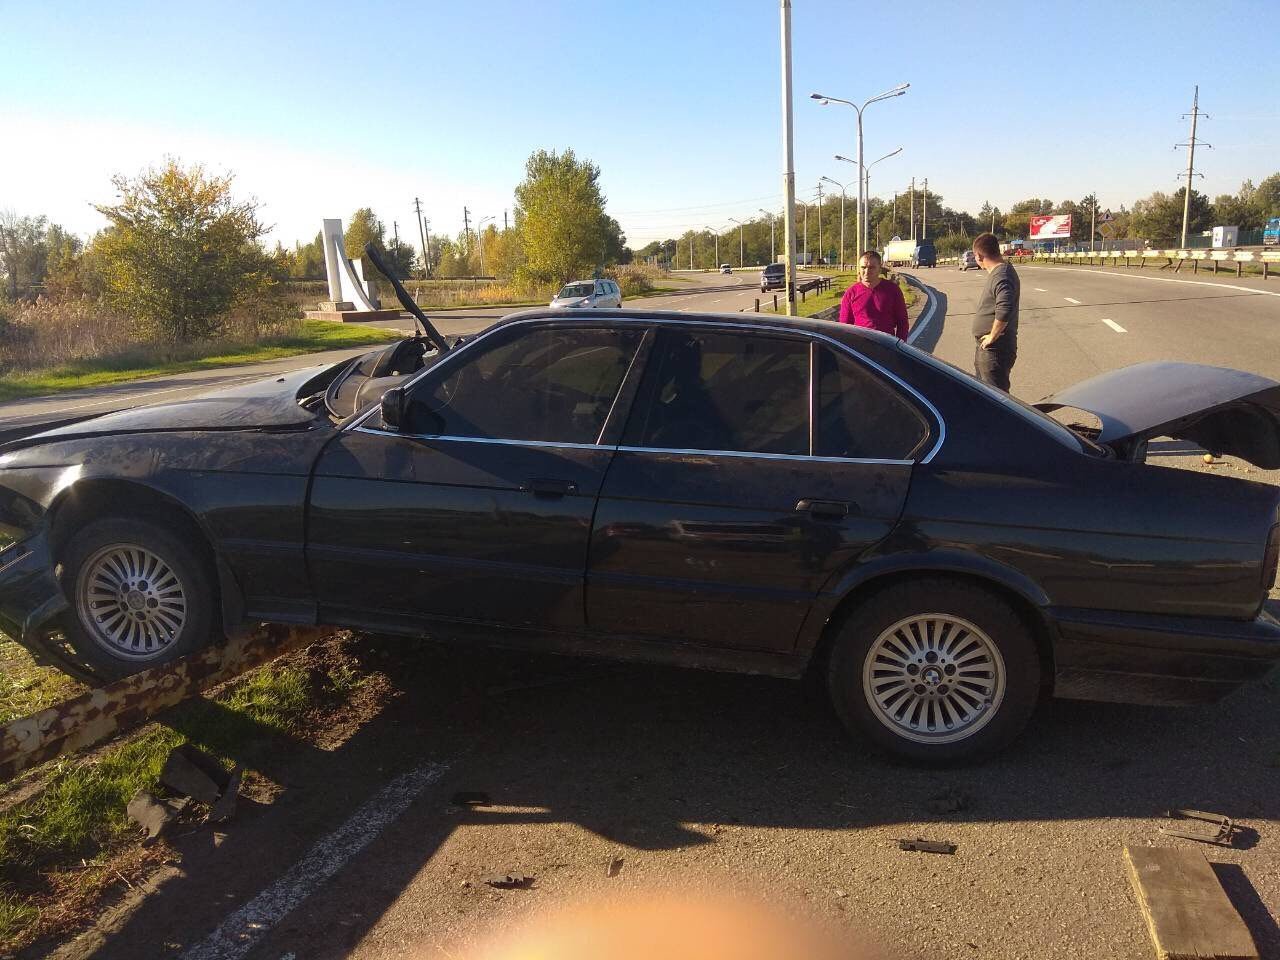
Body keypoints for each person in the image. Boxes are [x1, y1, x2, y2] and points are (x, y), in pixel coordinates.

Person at [971, 232, 1020, 391]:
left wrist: (993, 336)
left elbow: (1004, 308)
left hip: (995, 350)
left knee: (996, 399)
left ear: (979, 255)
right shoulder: (1000, 273)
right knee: (986, 397)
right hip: (991, 348)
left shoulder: (1002, 275)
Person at [837, 250, 909, 339]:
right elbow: (844, 327)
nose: (867, 271)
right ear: (859, 268)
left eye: (871, 267)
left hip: (887, 345)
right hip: (860, 348)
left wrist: (899, 348)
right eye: (863, 267)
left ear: (880, 268)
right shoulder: (851, 293)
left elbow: (902, 322)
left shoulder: (893, 290)